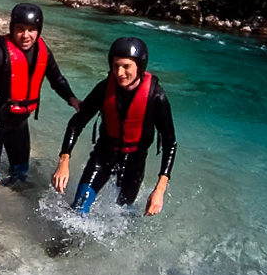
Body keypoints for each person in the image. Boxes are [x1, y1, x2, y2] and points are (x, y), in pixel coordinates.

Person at [0, 3, 82, 193]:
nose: (26, 35)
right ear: (12, 28)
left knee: (20, 177)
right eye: (20, 29)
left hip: (19, 124)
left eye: (31, 30)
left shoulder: (43, 52)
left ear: (38, 30)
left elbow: (57, 79)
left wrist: (72, 99)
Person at [51, 37, 177, 216]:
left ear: (139, 66)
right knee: (79, 208)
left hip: (134, 161)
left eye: (126, 66)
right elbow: (75, 124)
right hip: (103, 155)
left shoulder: (156, 98)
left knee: (122, 215)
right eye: (116, 65)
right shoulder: (104, 88)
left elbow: (170, 144)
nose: (119, 72)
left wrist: (160, 190)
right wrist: (64, 162)